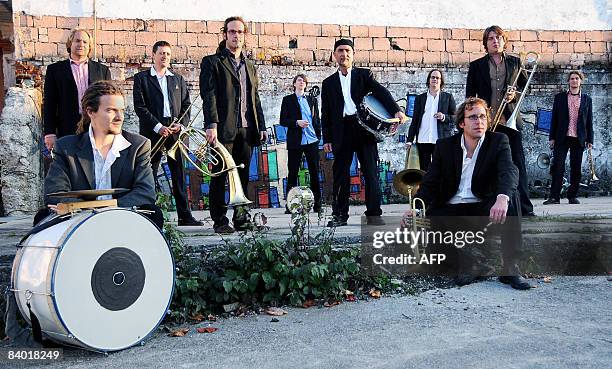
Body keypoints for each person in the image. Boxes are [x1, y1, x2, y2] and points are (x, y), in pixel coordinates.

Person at [414, 97, 532, 290]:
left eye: (483, 117)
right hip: (452, 209)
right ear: (462, 123)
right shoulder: (445, 146)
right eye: (473, 117)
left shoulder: (498, 141)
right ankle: (471, 264)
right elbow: (430, 183)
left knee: (512, 199)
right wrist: (416, 208)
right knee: (427, 224)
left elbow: (509, 171)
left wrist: (502, 197)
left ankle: (510, 268)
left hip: (483, 207)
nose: (479, 122)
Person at [42, 80, 163, 229]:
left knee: (154, 214)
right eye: (111, 110)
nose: (120, 117)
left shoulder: (138, 145)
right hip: (78, 222)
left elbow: (146, 192)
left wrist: (107, 209)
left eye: (122, 110)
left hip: (123, 218)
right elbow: (56, 193)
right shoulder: (66, 147)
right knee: (41, 217)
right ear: (90, 112)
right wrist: (91, 213)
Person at [321, 39, 407, 227]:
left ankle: (374, 215)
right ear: (335, 55)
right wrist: (326, 138)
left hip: (364, 130)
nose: (344, 54)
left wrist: (396, 110)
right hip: (341, 131)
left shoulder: (363, 75)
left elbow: (381, 91)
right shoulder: (328, 83)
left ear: (353, 55)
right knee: (340, 174)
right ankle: (339, 215)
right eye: (340, 51)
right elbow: (325, 112)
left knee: (370, 172)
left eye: (348, 51)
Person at [199, 16, 267, 234]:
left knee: (243, 177)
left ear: (244, 35)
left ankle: (241, 219)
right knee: (219, 175)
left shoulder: (250, 66)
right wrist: (211, 124)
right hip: (222, 129)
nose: (236, 35)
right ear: (225, 34)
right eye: (232, 31)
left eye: (240, 32)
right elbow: (208, 96)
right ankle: (219, 221)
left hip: (246, 129)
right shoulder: (212, 62)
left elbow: (255, 98)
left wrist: (262, 126)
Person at [465, 25, 535, 216]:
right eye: (491, 38)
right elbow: (469, 97)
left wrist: (515, 94)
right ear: (485, 44)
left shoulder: (515, 62)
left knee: (518, 164)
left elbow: (525, 88)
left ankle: (525, 208)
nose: (495, 41)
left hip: (509, 121)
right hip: (487, 124)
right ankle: (489, 204)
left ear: (504, 41)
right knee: (488, 165)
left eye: (498, 38)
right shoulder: (476, 66)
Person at [133, 40, 202, 226]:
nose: (165, 57)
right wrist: (158, 127)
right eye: (161, 53)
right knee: (150, 174)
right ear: (153, 55)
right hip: (153, 131)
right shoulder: (142, 79)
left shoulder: (177, 79)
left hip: (175, 131)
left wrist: (180, 125)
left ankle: (185, 216)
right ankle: (148, 216)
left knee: (179, 174)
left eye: (168, 54)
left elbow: (186, 105)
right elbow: (140, 107)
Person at [43, 29, 111, 151]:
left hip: (97, 127)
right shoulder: (55, 70)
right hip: (66, 128)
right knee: (70, 166)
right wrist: (49, 132)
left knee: (95, 166)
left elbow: (109, 102)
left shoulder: (102, 70)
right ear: (70, 44)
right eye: (77, 41)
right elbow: (49, 103)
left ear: (89, 46)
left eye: (85, 42)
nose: (81, 44)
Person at [544, 70, 594, 205]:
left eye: (577, 78)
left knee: (576, 168)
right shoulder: (559, 98)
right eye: (572, 78)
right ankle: (554, 197)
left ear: (580, 81)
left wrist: (590, 139)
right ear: (568, 81)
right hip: (562, 137)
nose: (574, 81)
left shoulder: (587, 99)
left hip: (579, 138)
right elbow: (554, 118)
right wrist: (552, 137)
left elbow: (589, 121)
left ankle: (572, 196)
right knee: (557, 167)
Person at [279, 74, 322, 213]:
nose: (302, 82)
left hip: (312, 140)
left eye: (304, 80)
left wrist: (318, 134)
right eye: (299, 80)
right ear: (294, 84)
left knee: (315, 172)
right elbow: (283, 120)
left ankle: (317, 204)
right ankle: (290, 205)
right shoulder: (288, 100)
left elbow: (317, 118)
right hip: (296, 141)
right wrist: (297, 123)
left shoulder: (312, 100)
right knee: (293, 173)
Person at [406, 69, 457, 170]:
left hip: (440, 141)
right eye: (433, 77)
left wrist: (444, 117)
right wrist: (409, 140)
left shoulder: (448, 97)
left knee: (440, 170)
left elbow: (455, 118)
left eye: (438, 78)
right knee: (424, 171)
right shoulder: (420, 98)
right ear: (429, 80)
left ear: (441, 81)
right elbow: (415, 120)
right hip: (423, 140)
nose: (435, 79)